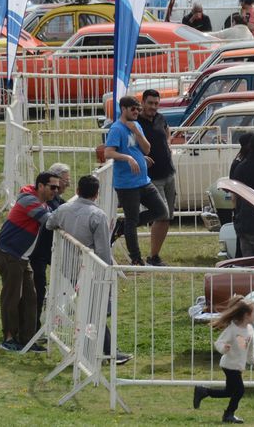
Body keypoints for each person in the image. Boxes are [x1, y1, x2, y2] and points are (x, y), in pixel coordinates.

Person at [46, 175, 133, 365]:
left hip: (68, 265)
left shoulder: (63, 209)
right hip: (89, 268)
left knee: (90, 309)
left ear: (77, 191)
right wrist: (106, 273)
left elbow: (49, 223)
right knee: (95, 310)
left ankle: (101, 349)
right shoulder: (97, 215)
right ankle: (107, 352)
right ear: (96, 194)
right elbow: (102, 249)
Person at [0, 171, 60, 352]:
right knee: (12, 298)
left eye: (58, 187)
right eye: (52, 187)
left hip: (21, 258)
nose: (56, 191)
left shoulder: (41, 202)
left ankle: (27, 340)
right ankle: (8, 339)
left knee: (31, 299)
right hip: (9, 255)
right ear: (41, 186)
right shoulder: (29, 201)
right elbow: (49, 221)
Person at [105, 96, 168, 266]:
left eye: (138, 109)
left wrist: (137, 133)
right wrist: (127, 158)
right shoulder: (116, 129)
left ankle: (122, 226)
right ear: (123, 109)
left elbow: (147, 148)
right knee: (132, 221)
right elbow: (108, 153)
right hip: (127, 184)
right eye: (133, 109)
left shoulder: (136, 125)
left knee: (161, 211)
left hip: (143, 180)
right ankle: (136, 258)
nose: (136, 112)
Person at [193, 294, 254, 424]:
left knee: (229, 391)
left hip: (237, 366)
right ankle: (229, 414)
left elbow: (250, 348)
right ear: (246, 315)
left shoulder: (250, 330)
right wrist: (224, 348)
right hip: (229, 365)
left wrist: (253, 360)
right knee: (239, 391)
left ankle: (203, 391)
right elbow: (219, 343)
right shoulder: (232, 329)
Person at [29, 163, 69, 332]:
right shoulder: (41, 201)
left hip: (51, 252)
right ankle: (33, 328)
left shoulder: (58, 201)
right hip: (37, 253)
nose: (66, 185)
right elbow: (52, 220)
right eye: (64, 181)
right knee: (37, 290)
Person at [137, 89, 176, 267]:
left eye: (156, 103)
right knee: (162, 214)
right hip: (151, 177)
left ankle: (155, 255)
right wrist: (140, 157)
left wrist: (167, 144)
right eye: (150, 103)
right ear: (143, 102)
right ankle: (130, 223)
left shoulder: (161, 118)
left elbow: (167, 131)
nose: (153, 107)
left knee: (167, 217)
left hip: (168, 173)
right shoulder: (135, 122)